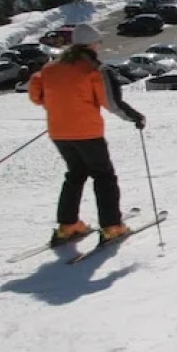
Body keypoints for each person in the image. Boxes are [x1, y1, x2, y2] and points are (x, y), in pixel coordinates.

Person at [27, 22, 146, 245]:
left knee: (75, 174)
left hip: (59, 133)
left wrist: (61, 108)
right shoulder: (94, 69)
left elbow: (36, 94)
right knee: (104, 177)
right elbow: (111, 103)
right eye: (97, 42)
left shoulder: (51, 68)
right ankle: (112, 226)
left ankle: (67, 226)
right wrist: (135, 117)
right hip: (87, 133)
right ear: (91, 44)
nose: (98, 46)